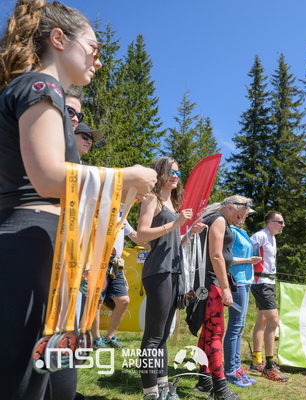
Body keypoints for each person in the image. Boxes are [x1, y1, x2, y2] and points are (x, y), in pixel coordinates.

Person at [0, 1, 156, 398]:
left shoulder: (34, 89)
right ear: (58, 39)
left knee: (51, 381)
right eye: (94, 48)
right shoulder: (41, 86)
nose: (98, 60)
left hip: (40, 247)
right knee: (23, 383)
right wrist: (125, 176)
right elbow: (48, 176)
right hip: (32, 246)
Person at [136, 157, 205, 400]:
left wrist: (188, 232)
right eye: (170, 171)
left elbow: (173, 242)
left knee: (163, 335)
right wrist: (176, 223)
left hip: (174, 271)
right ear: (159, 173)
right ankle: (150, 393)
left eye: (178, 172)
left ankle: (163, 389)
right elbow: (141, 235)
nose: (175, 176)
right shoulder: (151, 199)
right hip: (159, 271)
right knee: (153, 336)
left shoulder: (173, 205)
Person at [193, 196, 252, 400]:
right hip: (212, 283)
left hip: (206, 282)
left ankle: (205, 380)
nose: (241, 219)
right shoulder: (218, 220)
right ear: (230, 207)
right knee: (215, 334)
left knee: (207, 334)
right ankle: (220, 388)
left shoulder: (212, 219)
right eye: (240, 215)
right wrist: (225, 287)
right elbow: (216, 255)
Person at [91, 219, 149, 349]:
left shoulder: (122, 214)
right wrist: (111, 228)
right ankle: (96, 339)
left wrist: (154, 247)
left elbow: (134, 236)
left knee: (123, 300)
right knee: (97, 302)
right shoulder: (98, 212)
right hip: (97, 261)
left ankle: (110, 338)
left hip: (115, 263)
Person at [223, 206, 262, 387]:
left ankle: (237, 367)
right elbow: (227, 258)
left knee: (240, 327)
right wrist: (248, 260)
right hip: (236, 281)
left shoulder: (242, 232)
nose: (246, 217)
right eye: (244, 214)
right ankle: (230, 370)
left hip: (245, 281)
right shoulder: (230, 231)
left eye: (247, 215)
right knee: (235, 326)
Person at [249, 211, 289, 382]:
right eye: (280, 222)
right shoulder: (260, 235)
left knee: (263, 320)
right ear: (270, 222)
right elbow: (246, 248)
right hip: (261, 282)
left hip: (269, 281)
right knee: (274, 320)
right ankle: (269, 365)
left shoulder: (272, 237)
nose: (283, 225)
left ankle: (257, 361)